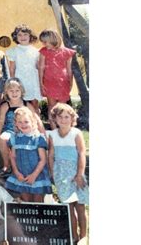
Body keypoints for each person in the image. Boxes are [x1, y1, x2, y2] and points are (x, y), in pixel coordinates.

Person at [48, 103, 88, 242]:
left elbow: (82, 153)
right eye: (60, 117)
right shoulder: (52, 135)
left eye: (67, 117)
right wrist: (53, 172)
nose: (64, 120)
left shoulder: (76, 133)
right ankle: (74, 236)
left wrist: (79, 174)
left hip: (76, 172)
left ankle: (83, 236)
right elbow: (51, 154)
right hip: (61, 174)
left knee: (80, 206)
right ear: (55, 119)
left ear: (72, 119)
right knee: (68, 207)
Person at [0, 78, 45, 177]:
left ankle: (29, 167)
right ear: (6, 92)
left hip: (25, 131)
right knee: (3, 139)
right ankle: (7, 166)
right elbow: (0, 122)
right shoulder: (5, 105)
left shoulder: (27, 105)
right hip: (10, 131)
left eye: (17, 90)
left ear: (21, 91)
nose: (14, 93)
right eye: (11, 91)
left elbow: (36, 119)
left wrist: (43, 134)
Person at [5, 107, 52, 202]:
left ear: (32, 122)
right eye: (20, 122)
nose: (23, 124)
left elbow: (43, 159)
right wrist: (17, 173)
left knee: (38, 201)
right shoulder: (15, 138)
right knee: (26, 201)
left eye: (26, 121)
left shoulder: (38, 138)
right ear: (16, 123)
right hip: (21, 176)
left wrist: (34, 175)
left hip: (37, 175)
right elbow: (13, 157)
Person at [38, 29, 76, 129]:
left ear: (53, 39)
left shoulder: (67, 52)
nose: (44, 44)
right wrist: (41, 82)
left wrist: (70, 82)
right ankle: (54, 128)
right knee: (51, 106)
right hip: (49, 82)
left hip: (63, 82)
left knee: (63, 107)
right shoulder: (43, 51)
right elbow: (41, 67)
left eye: (45, 42)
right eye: (43, 42)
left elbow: (69, 69)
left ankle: (63, 128)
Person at [6, 24, 42, 114]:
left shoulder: (36, 51)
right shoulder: (13, 51)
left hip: (33, 80)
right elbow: (12, 67)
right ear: (16, 37)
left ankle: (36, 124)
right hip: (20, 80)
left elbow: (38, 67)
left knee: (34, 104)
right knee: (21, 103)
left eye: (25, 34)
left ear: (30, 36)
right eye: (19, 35)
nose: (23, 37)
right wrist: (12, 81)